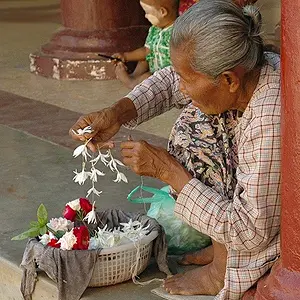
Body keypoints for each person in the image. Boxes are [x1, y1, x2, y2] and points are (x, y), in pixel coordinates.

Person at [70, 1, 281, 299]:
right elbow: (169, 80)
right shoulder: (248, 68)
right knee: (197, 120)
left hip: (259, 227)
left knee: (194, 133)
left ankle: (222, 269)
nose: (180, 88)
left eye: (187, 79)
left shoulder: (268, 117)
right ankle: (221, 248)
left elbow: (249, 230)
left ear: (229, 80)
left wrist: (168, 171)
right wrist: (116, 113)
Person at [113, 0, 179, 89]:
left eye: (147, 12)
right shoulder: (154, 29)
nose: (145, 16)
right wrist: (125, 56)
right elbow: (146, 51)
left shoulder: (178, 32)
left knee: (147, 77)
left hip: (171, 78)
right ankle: (135, 77)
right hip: (156, 71)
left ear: (162, 12)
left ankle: (131, 83)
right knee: (145, 59)